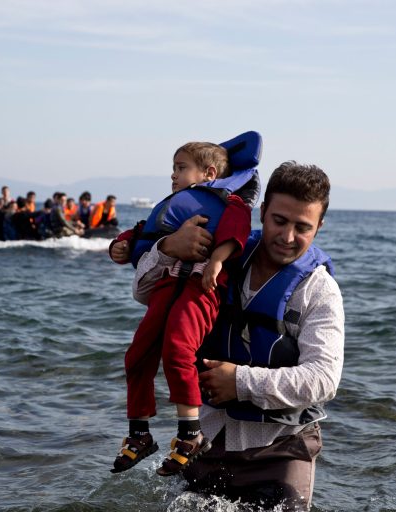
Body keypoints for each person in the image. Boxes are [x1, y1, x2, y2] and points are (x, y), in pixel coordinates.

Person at [132, 162, 344, 510]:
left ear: (319, 227)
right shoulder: (223, 254)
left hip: (282, 450)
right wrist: (169, 246)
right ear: (262, 212)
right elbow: (143, 291)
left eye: (302, 227)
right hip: (207, 439)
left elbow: (324, 380)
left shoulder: (319, 290)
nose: (287, 236)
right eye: (279, 220)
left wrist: (241, 382)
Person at [108, 138, 260, 477]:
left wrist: (216, 261)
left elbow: (236, 231)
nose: (173, 176)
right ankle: (139, 434)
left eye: (180, 168)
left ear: (207, 174)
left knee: (178, 349)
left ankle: (190, 436)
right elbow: (144, 232)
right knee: (136, 355)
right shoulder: (177, 205)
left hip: (200, 288)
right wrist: (121, 245)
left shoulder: (231, 202)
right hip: (166, 287)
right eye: (173, 169)